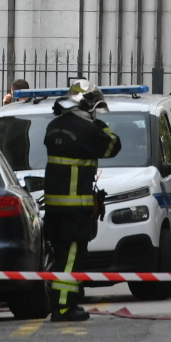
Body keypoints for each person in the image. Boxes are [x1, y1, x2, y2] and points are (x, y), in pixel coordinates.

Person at [42, 81, 121, 321]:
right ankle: (64, 306)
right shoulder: (89, 129)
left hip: (54, 208)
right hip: (75, 209)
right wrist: (95, 122)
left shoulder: (54, 126)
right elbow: (113, 146)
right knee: (72, 258)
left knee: (60, 256)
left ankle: (66, 299)